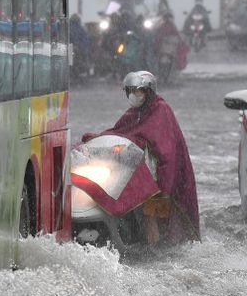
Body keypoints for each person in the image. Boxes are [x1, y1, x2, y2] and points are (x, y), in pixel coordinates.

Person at [82, 71, 200, 244]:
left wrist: (165, 189)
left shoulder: (161, 110)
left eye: (137, 91)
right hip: (142, 173)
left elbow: (166, 152)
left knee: (153, 218)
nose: (133, 95)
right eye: (130, 91)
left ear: (148, 92)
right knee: (146, 216)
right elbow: (121, 132)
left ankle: (156, 247)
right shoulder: (135, 113)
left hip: (158, 176)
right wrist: (98, 138)